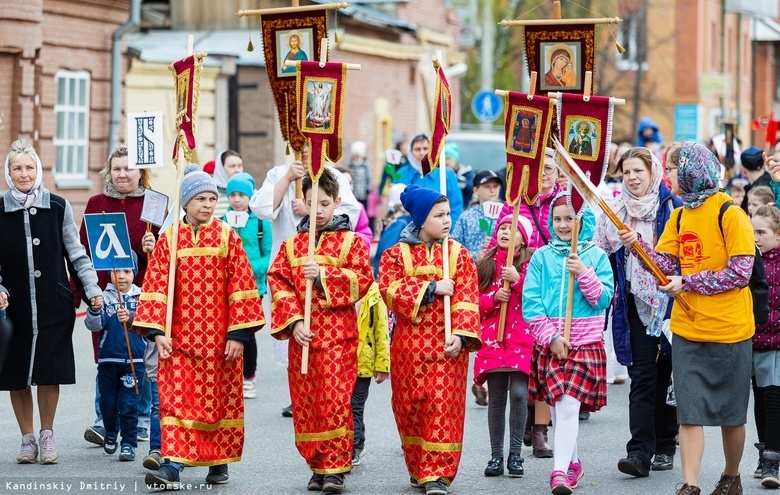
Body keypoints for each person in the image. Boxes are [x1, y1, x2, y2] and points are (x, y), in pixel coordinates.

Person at [617, 142, 755, 495]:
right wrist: (638, 245)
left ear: (695, 170)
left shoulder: (731, 214)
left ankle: (730, 475)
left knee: (731, 415)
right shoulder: (679, 215)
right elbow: (664, 264)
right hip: (688, 329)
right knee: (688, 412)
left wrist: (688, 281)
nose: (671, 176)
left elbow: (740, 272)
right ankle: (690, 485)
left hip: (730, 330)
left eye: (675, 169)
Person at [135, 164, 265, 488]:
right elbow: (155, 286)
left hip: (220, 341)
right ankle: (173, 465)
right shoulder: (169, 240)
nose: (208, 204)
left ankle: (218, 461)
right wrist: (157, 332)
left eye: (211, 198)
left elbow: (243, 287)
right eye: (201, 198)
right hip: (179, 340)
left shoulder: (227, 238)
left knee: (217, 402)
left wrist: (238, 335)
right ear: (186, 202)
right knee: (177, 400)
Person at [267, 169, 373, 493]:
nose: (319, 211)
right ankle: (317, 465)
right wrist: (295, 320)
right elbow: (278, 282)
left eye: (325, 203)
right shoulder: (291, 246)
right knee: (308, 404)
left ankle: (336, 468)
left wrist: (324, 275)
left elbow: (362, 280)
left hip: (339, 339)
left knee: (336, 402)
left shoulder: (352, 242)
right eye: (312, 204)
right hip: (304, 340)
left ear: (336, 202)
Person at [0, 138, 102, 464]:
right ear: (8, 173)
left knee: (48, 371)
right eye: (17, 168)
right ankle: (27, 439)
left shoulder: (57, 206)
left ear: (38, 170)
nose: (24, 173)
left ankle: (47, 435)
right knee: (17, 374)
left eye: (29, 167)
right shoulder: (0, 211)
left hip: (53, 305)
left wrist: (93, 290)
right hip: (14, 310)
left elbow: (76, 254)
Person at [378, 185, 481, 495]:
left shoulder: (458, 255)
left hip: (447, 346)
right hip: (408, 348)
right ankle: (419, 466)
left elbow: (467, 298)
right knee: (410, 408)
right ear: (422, 220)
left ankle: (437, 473)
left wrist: (461, 337)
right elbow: (389, 290)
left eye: (449, 213)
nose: (447, 220)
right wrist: (432, 289)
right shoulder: (394, 255)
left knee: (442, 407)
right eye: (439, 215)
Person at [251, 148, 360, 417]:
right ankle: (299, 392)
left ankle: (331, 400)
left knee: (332, 356)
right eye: (303, 147)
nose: (308, 152)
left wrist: (310, 207)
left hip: (328, 260)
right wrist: (288, 178)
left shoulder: (333, 176)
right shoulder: (279, 173)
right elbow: (262, 208)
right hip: (292, 257)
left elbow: (350, 213)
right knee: (298, 340)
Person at [593, 147, 682, 477]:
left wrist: (639, 246)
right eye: (626, 172)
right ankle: (640, 452)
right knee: (642, 376)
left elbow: (675, 258)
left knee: (666, 375)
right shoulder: (614, 211)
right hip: (633, 305)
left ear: (653, 173)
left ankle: (666, 443)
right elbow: (600, 253)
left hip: (670, 303)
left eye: (638, 172)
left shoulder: (671, 209)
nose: (632, 178)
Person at [522, 193, 614, 495]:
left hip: (585, 343)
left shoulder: (596, 256)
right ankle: (572, 461)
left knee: (568, 405)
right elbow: (531, 304)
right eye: (558, 218)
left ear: (583, 221)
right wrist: (551, 337)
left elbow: (603, 299)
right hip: (552, 344)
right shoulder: (541, 257)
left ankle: (558, 472)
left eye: (570, 219)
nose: (563, 224)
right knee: (561, 406)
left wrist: (584, 273)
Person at [79, 145, 159, 448]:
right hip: (106, 296)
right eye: (117, 168)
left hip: (144, 296)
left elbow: (168, 253)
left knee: (141, 358)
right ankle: (105, 420)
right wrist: (86, 293)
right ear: (108, 172)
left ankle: (137, 421)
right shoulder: (96, 203)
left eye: (129, 168)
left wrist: (156, 244)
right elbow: (83, 252)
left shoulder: (152, 205)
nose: (123, 173)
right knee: (108, 358)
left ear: (140, 172)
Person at [490, 148, 563, 457]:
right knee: (524, 359)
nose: (544, 174)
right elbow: (499, 237)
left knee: (546, 358)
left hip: (552, 283)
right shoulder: (516, 201)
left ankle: (540, 429)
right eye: (538, 169)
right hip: (518, 284)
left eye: (549, 169)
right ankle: (526, 425)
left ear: (558, 173)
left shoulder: (564, 203)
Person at [474, 214, 535, 478]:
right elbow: (471, 301)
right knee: (496, 398)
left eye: (513, 229)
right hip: (492, 339)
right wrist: (493, 298)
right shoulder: (486, 264)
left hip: (521, 337)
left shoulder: (532, 263)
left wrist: (518, 279)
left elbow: (538, 295)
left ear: (524, 239)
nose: (506, 232)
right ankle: (496, 455)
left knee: (520, 393)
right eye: (502, 228)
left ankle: (516, 454)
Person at [84, 252, 145, 462]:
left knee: (129, 405)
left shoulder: (141, 297)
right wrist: (94, 310)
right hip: (108, 361)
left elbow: (148, 326)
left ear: (134, 273)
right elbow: (94, 325)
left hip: (134, 362)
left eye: (127, 271)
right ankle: (110, 430)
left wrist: (131, 318)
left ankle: (128, 443)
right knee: (107, 404)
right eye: (116, 271)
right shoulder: (103, 297)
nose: (121, 276)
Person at [223, 172, 272, 400]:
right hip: (227, 286)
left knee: (248, 331)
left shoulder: (261, 222)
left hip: (254, 286)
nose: (236, 199)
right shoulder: (222, 221)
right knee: (227, 330)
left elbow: (268, 254)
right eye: (232, 194)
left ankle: (249, 375)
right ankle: (230, 375)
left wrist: (249, 268)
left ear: (250, 197)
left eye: (241, 194)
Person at [750, 205, 780, 489]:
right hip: (753, 341)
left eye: (762, 232)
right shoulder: (748, 260)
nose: (756, 237)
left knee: (773, 400)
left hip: (777, 344)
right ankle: (764, 456)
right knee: (760, 402)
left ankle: (773, 460)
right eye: (752, 231)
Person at [351, 281, 391, 467]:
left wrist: (382, 365)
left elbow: (381, 330)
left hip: (364, 361)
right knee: (344, 405)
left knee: (355, 406)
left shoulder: (374, 293)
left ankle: (352, 449)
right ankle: (358, 442)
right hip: (340, 360)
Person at [393, 134, 464, 225]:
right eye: (417, 149)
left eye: (425, 148)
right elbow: (395, 206)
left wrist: (449, 228)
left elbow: (456, 205)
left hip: (439, 231)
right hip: (407, 231)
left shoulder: (446, 174)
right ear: (410, 152)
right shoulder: (401, 174)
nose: (422, 153)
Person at [451, 170, 503, 261]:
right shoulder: (466, 217)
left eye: (495, 186)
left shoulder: (506, 214)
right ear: (476, 190)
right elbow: (454, 248)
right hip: (472, 270)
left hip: (500, 270)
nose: (492, 190)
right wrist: (475, 256)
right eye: (487, 186)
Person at [373, 183, 411, 277]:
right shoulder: (405, 220)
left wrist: (378, 271)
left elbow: (386, 250)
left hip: (387, 273)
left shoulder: (398, 223)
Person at [347, 140, 374, 230]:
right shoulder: (350, 164)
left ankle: (363, 227)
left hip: (363, 192)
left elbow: (369, 177)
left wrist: (368, 188)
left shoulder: (365, 165)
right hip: (353, 192)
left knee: (363, 210)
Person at [212, 149, 245, 218]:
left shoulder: (252, 193)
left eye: (239, 166)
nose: (237, 170)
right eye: (232, 166)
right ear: (220, 169)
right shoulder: (210, 195)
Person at [444, 143, 474, 207]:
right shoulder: (440, 174)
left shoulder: (466, 173)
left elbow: (472, 189)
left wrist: (464, 184)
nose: (445, 162)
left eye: (448, 158)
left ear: (455, 159)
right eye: (443, 159)